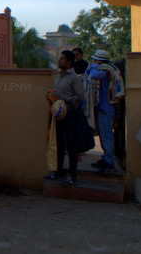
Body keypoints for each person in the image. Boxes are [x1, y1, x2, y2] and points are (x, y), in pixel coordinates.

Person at [44, 50, 89, 186]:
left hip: (71, 115)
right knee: (59, 145)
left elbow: (80, 97)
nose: (59, 61)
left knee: (72, 147)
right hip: (58, 116)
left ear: (68, 62)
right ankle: (57, 172)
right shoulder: (58, 76)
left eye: (62, 59)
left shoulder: (74, 78)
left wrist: (65, 99)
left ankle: (71, 175)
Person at [85, 49, 123, 174]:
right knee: (103, 135)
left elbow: (92, 74)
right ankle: (106, 158)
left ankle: (109, 162)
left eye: (95, 59)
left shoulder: (104, 70)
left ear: (99, 60)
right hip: (103, 107)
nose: (93, 61)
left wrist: (95, 66)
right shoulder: (108, 69)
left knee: (107, 136)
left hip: (105, 108)